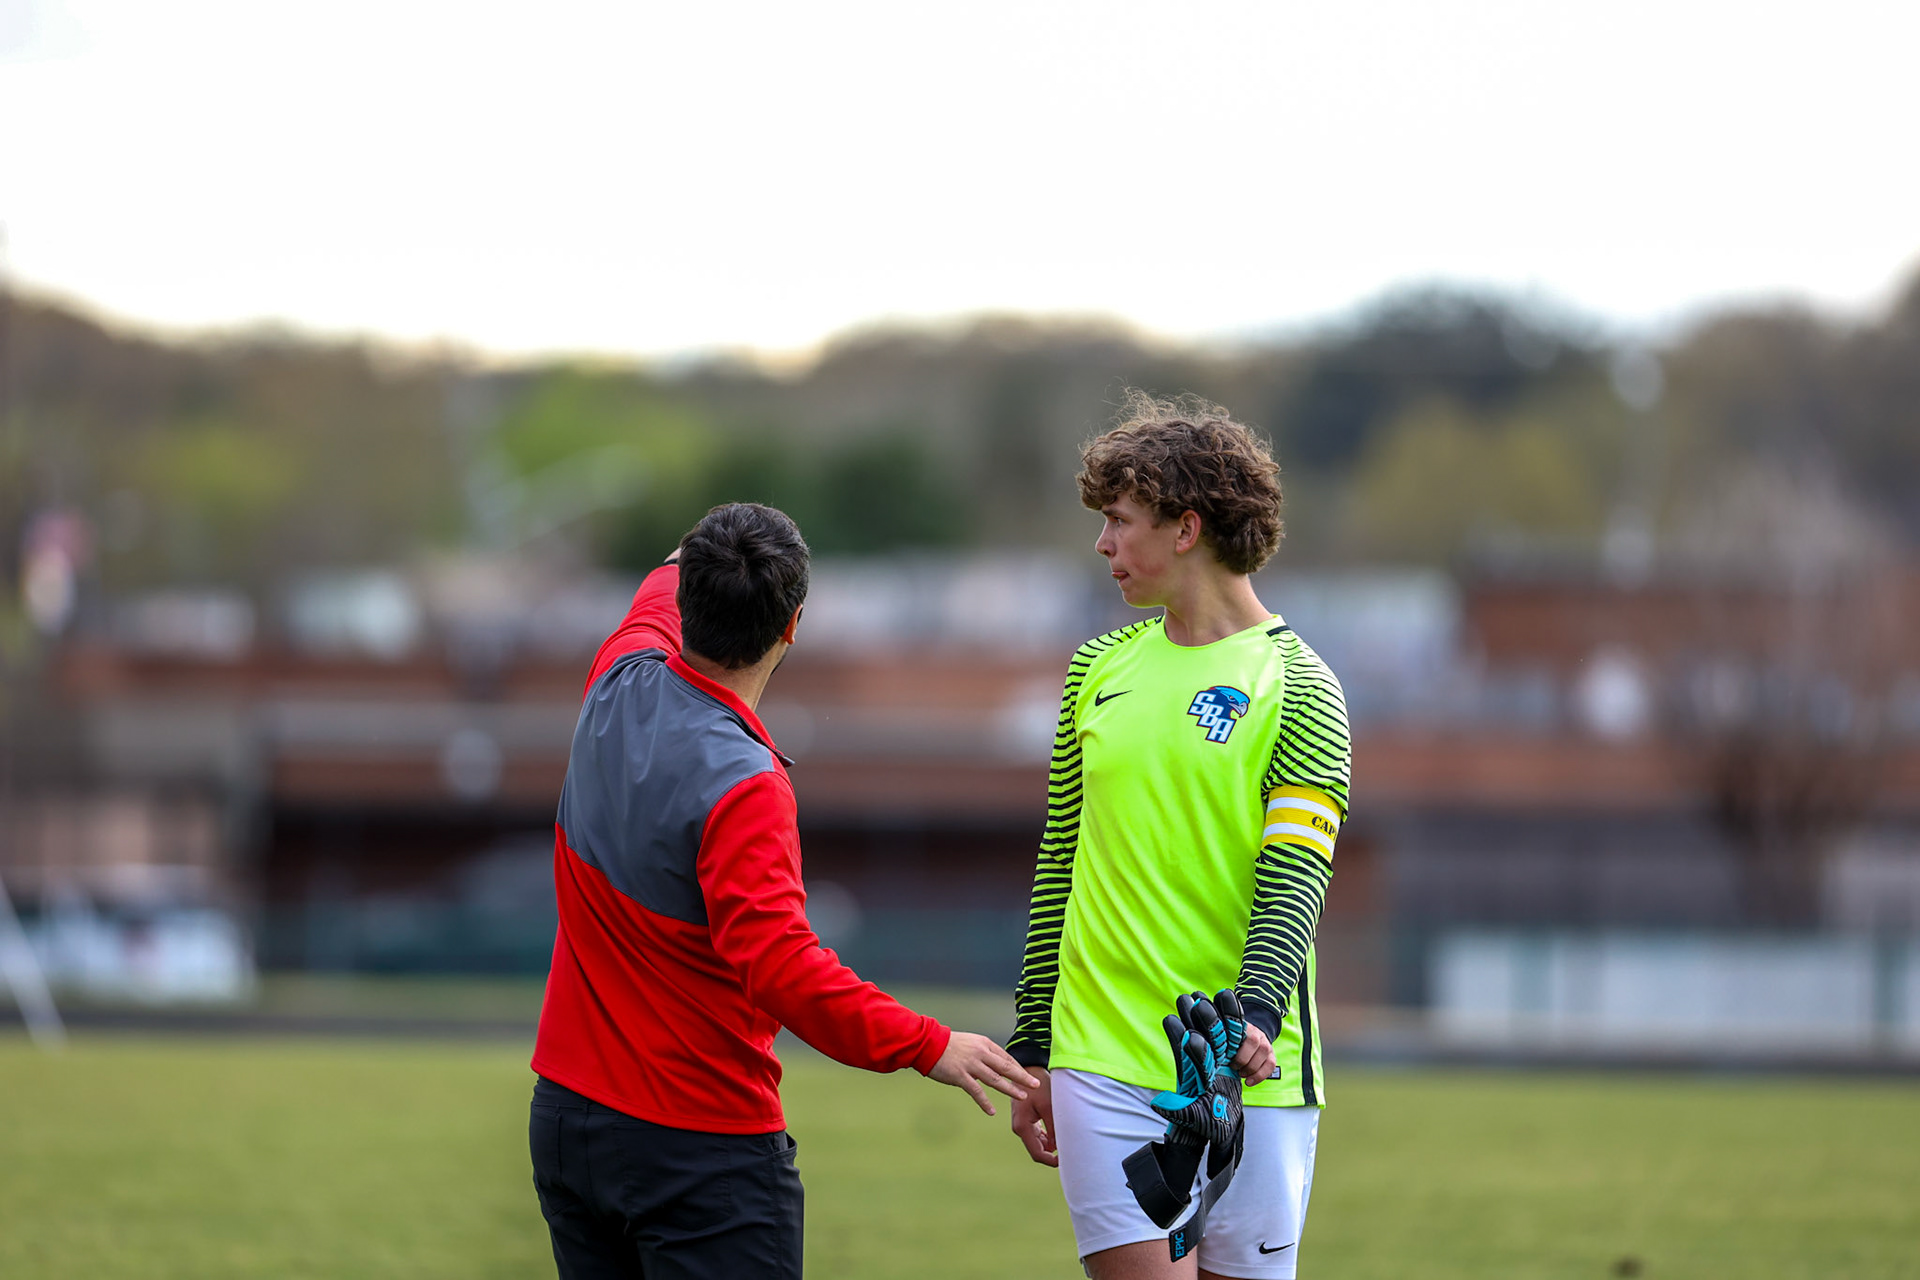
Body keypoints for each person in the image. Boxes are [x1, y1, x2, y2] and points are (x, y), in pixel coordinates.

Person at [530, 501, 1037, 1279]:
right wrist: (929, 1044)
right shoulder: (745, 784)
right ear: (792, 625)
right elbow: (782, 967)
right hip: (696, 1145)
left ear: (687, 595)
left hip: (567, 1122)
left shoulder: (616, 677)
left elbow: (668, 570)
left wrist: (715, 543)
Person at [1006, 393, 1352, 1280]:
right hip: (1102, 1060)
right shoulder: (1096, 667)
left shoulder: (1303, 686)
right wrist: (1034, 1043)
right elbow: (1060, 865)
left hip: (1250, 1069)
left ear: (1186, 527)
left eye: (1120, 521)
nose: (1104, 544)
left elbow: (1295, 876)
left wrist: (1256, 1020)